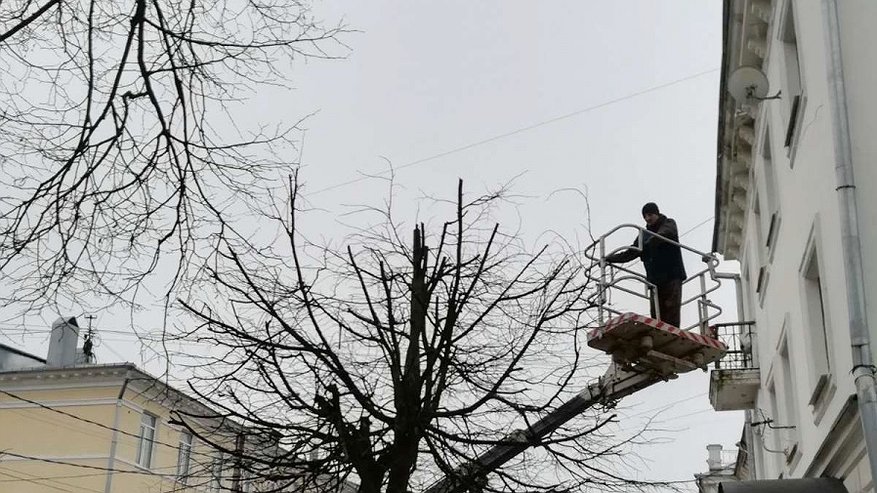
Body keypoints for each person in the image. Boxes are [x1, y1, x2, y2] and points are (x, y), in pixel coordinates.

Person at [604, 202, 687, 327]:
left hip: (672, 275)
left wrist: (650, 242)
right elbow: (630, 253)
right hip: (655, 280)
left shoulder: (668, 223)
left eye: (650, 215)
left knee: (671, 311)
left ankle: (673, 333)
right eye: (645, 217)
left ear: (657, 214)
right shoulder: (644, 235)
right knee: (656, 314)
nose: (648, 219)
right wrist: (610, 259)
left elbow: (665, 234)